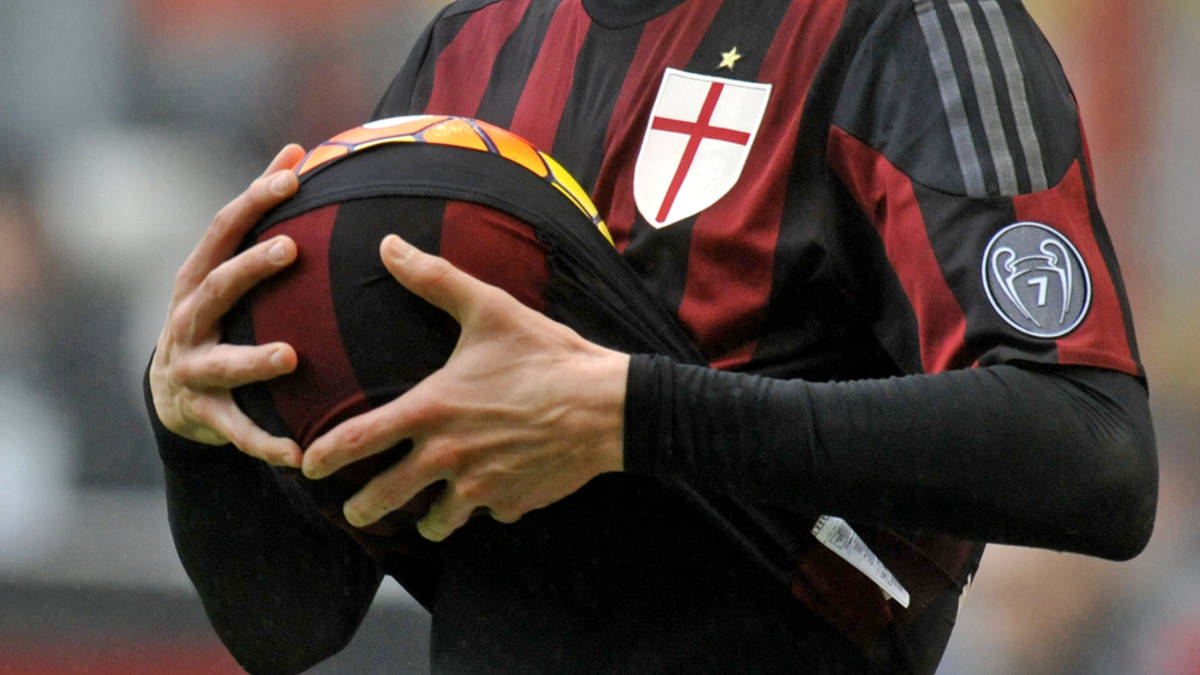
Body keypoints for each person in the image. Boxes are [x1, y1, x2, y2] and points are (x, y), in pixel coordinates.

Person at [146, 0, 1157, 672]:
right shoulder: (469, 48)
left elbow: (1094, 450)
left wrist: (632, 415)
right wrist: (193, 422)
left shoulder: (912, 28)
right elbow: (292, 623)